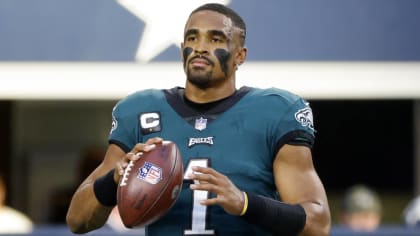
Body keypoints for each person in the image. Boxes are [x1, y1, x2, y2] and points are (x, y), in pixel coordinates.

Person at [66, 3, 331, 236]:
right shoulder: (140, 111)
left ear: (240, 55)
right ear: (182, 49)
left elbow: (318, 223)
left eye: (215, 39)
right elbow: (77, 220)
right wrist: (114, 179)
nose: (200, 48)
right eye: (192, 37)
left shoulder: (275, 112)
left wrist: (245, 203)